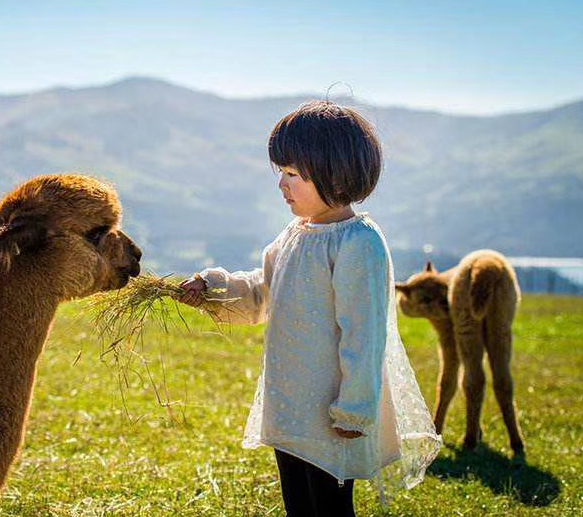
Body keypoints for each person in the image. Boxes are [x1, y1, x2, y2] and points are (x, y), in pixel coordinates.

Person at [179, 101, 441, 516]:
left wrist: (354, 410)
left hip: (330, 414)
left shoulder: (358, 243)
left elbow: (365, 334)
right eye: (281, 173)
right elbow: (263, 292)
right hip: (289, 405)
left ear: (334, 174)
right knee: (298, 503)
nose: (282, 185)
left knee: (330, 507)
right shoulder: (293, 236)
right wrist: (214, 288)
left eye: (293, 175)